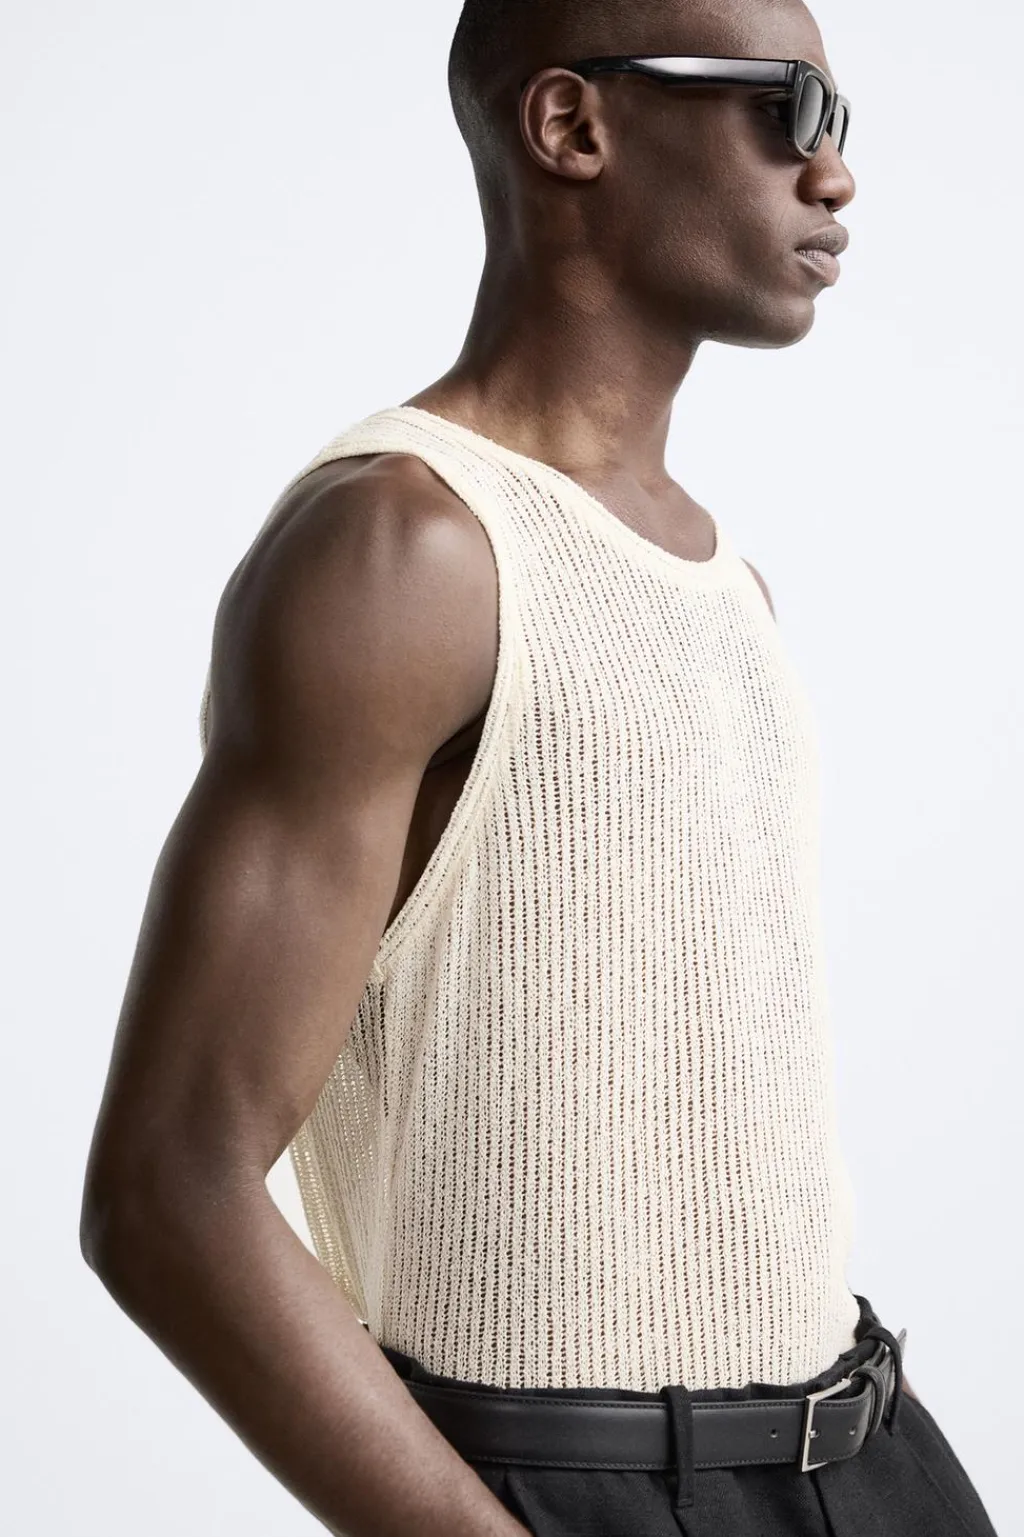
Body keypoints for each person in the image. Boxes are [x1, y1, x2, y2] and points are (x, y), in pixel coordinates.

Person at [80, 0, 1000, 1533]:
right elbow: (170, 1188)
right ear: (572, 125)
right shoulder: (404, 551)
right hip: (587, 1487)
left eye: (841, 125)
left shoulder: (730, 587)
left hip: (873, 1449)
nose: (833, 173)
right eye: (785, 107)